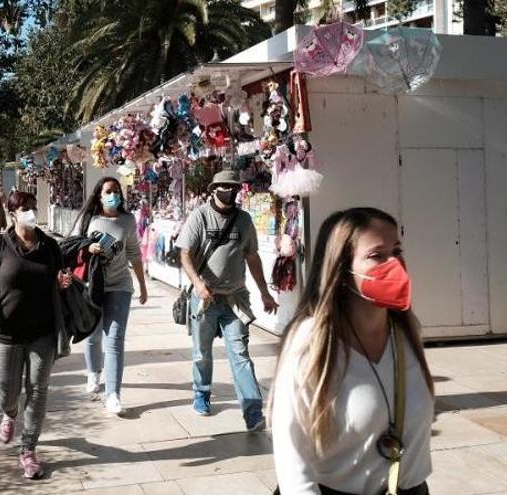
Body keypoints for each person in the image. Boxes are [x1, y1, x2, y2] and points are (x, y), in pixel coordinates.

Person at [270, 208, 434, 495]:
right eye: (377, 255)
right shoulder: (311, 340)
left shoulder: (406, 333)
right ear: (342, 270)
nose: (394, 264)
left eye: (397, 250)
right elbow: (291, 453)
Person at [0, 191, 72, 480]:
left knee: (38, 390)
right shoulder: (0, 244)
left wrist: (63, 282)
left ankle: (28, 450)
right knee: (7, 392)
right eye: (24, 209)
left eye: (33, 207)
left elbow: (61, 277)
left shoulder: (50, 245)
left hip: (43, 332)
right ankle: (10, 412)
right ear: (12, 213)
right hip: (7, 333)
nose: (30, 212)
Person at [176, 169, 278, 431]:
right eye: (223, 187)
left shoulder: (243, 220)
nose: (229, 191)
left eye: (233, 187)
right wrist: (198, 284)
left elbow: (252, 256)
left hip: (235, 300)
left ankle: (253, 412)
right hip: (205, 299)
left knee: (241, 355)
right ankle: (201, 392)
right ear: (213, 189)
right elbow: (185, 254)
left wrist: (264, 292)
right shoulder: (199, 216)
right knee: (202, 353)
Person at [71, 177, 148, 415]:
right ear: (99, 195)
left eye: (116, 191)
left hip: (120, 286)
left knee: (114, 339)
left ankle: (113, 394)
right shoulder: (88, 220)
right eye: (108, 191)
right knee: (93, 335)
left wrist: (142, 286)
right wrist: (88, 247)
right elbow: (71, 247)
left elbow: (134, 254)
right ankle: (93, 373)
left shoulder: (127, 220)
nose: (113, 195)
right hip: (91, 286)